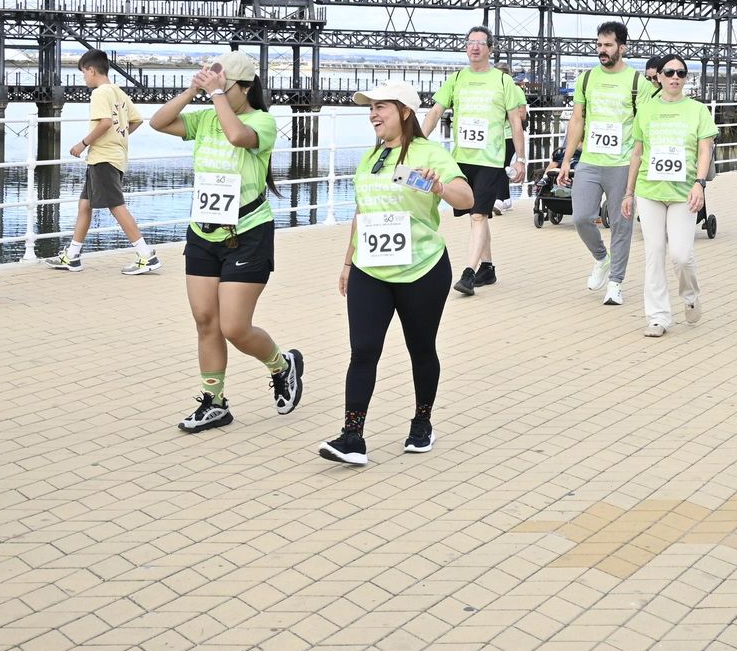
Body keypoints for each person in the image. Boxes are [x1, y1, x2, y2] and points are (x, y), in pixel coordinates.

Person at [148, 52, 302, 432]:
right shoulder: (203, 118)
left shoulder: (262, 122)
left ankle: (282, 364)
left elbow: (236, 135)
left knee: (234, 326)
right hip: (203, 231)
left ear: (246, 88)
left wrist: (216, 96)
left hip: (248, 232)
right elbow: (157, 122)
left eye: (226, 86)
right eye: (213, 84)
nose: (216, 91)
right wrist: (192, 89)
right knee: (205, 321)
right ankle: (214, 402)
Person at [321, 81, 473, 465]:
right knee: (363, 351)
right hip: (370, 271)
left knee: (420, 350)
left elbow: (466, 199)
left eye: (380, 107)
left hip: (421, 269)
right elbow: (362, 213)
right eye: (370, 107)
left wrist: (438, 186)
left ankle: (422, 423)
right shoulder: (370, 158)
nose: (372, 113)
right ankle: (352, 437)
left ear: (404, 112)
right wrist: (347, 262)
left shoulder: (429, 153)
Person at [422, 26, 527, 296]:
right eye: (470, 42)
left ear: (490, 49)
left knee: (479, 214)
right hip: (461, 160)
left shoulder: (504, 82)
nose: (475, 47)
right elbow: (435, 111)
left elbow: (516, 123)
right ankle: (488, 268)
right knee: (476, 214)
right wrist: (417, 141)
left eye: (481, 43)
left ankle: (468, 273)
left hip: (491, 160)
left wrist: (520, 160)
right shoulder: (456, 79)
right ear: (466, 47)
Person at [621, 54, 717, 336]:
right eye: (669, 72)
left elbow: (704, 149)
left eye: (681, 73)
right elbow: (636, 152)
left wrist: (700, 183)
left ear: (686, 78)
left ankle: (690, 296)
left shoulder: (698, 110)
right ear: (658, 77)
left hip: (684, 192)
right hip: (650, 190)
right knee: (655, 252)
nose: (675, 77)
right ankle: (658, 316)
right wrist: (629, 192)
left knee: (681, 254)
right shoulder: (647, 110)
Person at [45, 49, 159, 274]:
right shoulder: (118, 91)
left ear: (91, 69)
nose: (83, 78)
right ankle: (73, 255)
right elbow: (136, 121)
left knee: (116, 206)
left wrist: (82, 143)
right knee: (85, 205)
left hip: (103, 158)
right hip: (112, 156)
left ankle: (146, 255)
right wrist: (119, 138)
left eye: (83, 73)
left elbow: (105, 122)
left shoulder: (99, 94)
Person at [558, 22, 643, 305]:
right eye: (599, 45)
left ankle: (616, 283)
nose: (602, 51)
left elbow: (644, 127)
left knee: (621, 224)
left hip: (622, 164)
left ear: (622, 47)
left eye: (607, 45)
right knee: (581, 217)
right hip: (590, 161)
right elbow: (577, 120)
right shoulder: (586, 79)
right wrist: (566, 160)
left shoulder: (637, 82)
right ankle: (601, 258)